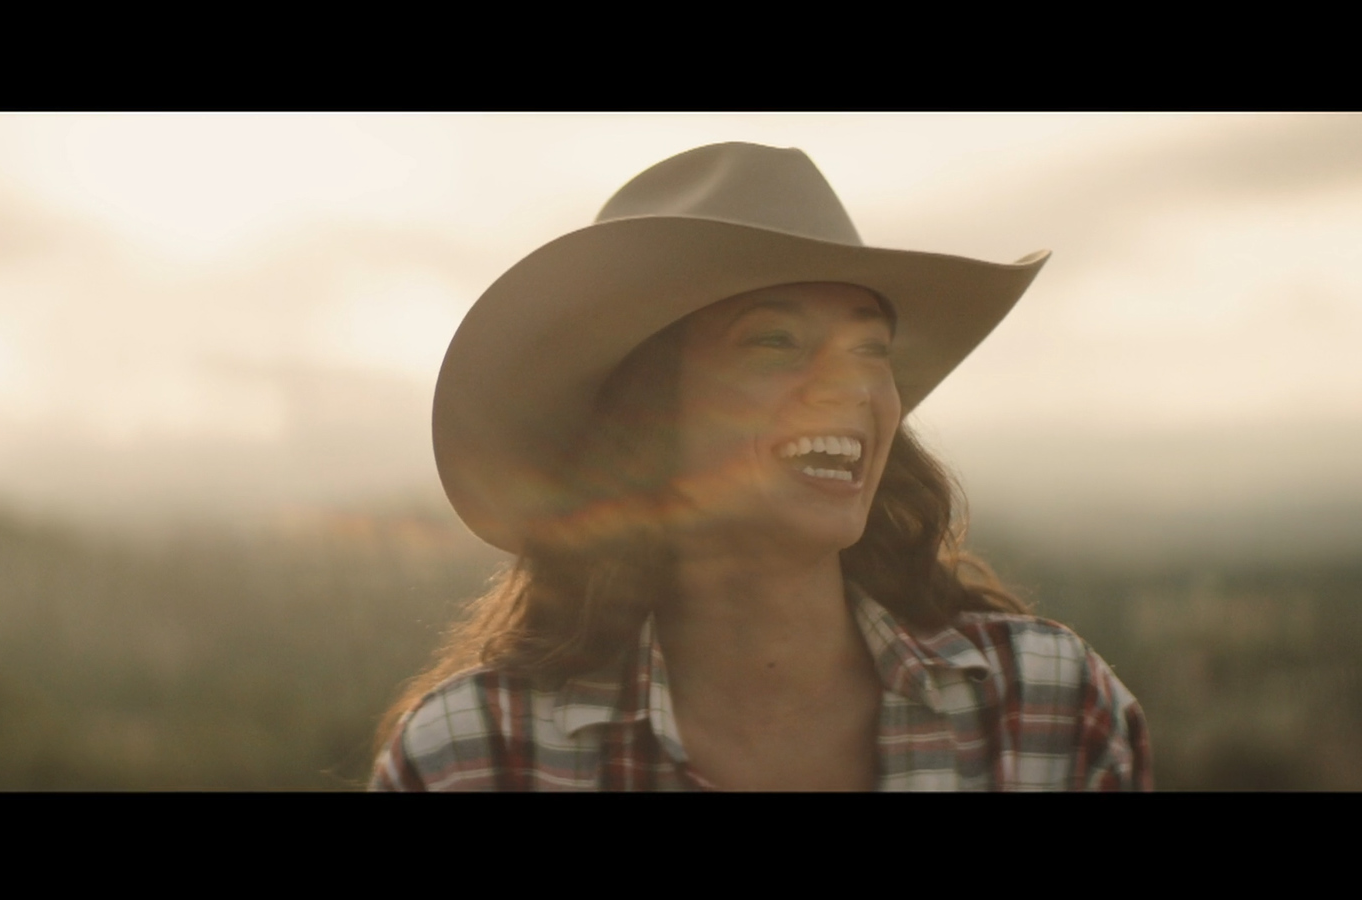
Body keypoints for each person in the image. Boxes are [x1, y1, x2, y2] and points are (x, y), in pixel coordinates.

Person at [369, 142, 1151, 791]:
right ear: (648, 417)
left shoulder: (1045, 711)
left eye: (870, 349)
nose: (854, 388)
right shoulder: (476, 760)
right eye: (774, 340)